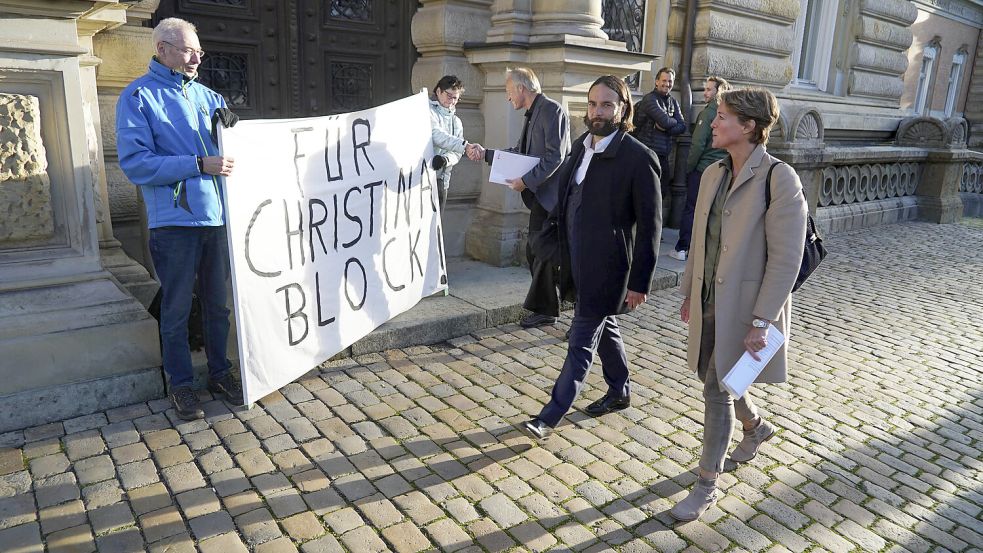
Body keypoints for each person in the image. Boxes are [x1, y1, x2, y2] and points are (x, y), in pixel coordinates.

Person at [671, 88, 807, 522]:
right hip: (710, 299)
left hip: (748, 308)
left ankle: (705, 484)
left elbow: (788, 258)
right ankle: (756, 427)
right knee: (711, 374)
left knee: (716, 389)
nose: (713, 122)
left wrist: (762, 321)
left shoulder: (779, 178)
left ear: (749, 126)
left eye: (723, 116)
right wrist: (690, 293)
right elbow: (698, 237)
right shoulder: (713, 172)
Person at [116, 17, 244, 420]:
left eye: (199, 52)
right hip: (173, 223)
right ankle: (182, 384)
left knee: (217, 306)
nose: (196, 58)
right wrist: (196, 164)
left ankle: (221, 373)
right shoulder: (137, 97)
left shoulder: (211, 97)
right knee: (175, 309)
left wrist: (236, 133)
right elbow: (136, 164)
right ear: (162, 49)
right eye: (189, 50)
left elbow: (233, 154)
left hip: (217, 218)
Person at [521, 75, 661, 440]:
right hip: (573, 261)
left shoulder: (638, 159)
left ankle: (548, 417)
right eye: (593, 104)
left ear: (623, 109)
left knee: (580, 340)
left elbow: (650, 227)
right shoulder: (582, 146)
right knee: (605, 326)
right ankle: (620, 390)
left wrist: (639, 282)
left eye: (607, 105)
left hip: (608, 268)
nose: (598, 112)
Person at [467, 67, 571, 328]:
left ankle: (575, 309)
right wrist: (487, 154)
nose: (507, 97)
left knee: (547, 253)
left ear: (521, 88)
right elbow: (520, 154)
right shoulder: (533, 112)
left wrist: (525, 181)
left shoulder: (551, 110)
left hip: (552, 199)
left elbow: (555, 157)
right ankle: (548, 309)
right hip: (539, 198)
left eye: (508, 90)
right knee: (537, 251)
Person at [670, 76, 732, 262]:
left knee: (692, 208)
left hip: (703, 168)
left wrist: (687, 168)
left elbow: (697, 145)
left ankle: (683, 248)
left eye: (709, 89)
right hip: (722, 168)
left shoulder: (709, 113)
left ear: (718, 91)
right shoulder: (729, 112)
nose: (705, 93)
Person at [632, 67, 686, 202]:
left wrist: (666, 129)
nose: (667, 84)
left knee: (660, 195)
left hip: (663, 157)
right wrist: (671, 123)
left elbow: (682, 126)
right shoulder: (650, 99)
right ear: (656, 82)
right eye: (663, 80)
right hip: (646, 155)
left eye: (670, 81)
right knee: (645, 195)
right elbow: (666, 121)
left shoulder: (673, 102)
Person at [429, 75, 469, 211]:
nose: (452, 101)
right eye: (449, 96)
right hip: (420, 176)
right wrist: (465, 145)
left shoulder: (456, 121)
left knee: (437, 224)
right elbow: (437, 135)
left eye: (456, 98)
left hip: (442, 180)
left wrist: (445, 160)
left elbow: (457, 153)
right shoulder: (427, 111)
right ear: (439, 91)